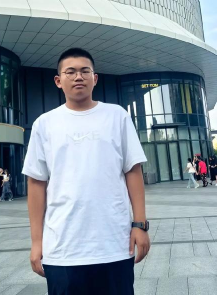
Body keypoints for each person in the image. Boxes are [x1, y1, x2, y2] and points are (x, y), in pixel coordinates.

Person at [22, 47, 149, 295]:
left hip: (115, 245)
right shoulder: (44, 124)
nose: (78, 77)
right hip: (62, 249)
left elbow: (133, 171)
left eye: (84, 71)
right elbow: (36, 183)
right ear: (58, 81)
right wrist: (37, 242)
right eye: (70, 72)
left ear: (95, 78)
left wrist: (140, 225)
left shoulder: (117, 116)